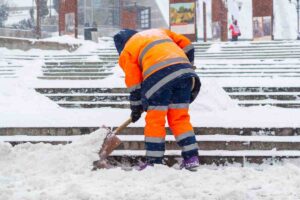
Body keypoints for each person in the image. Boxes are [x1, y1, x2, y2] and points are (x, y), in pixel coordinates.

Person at [113, 28, 201, 171]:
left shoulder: (127, 51)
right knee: (180, 118)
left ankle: (154, 162)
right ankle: (191, 157)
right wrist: (187, 64)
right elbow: (187, 45)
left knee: (156, 120)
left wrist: (136, 108)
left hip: (158, 79)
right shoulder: (159, 32)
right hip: (185, 76)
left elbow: (134, 84)